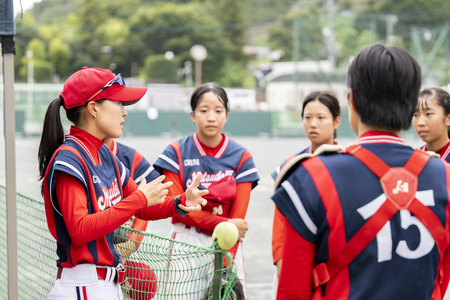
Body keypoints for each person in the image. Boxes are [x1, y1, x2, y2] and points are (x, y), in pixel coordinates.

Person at [272, 44, 450, 299]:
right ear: (411, 104)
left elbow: (292, 290)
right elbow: (440, 278)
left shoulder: (311, 177)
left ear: (352, 100)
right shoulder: (445, 177)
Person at [38, 67, 208, 300]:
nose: (124, 112)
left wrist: (179, 202)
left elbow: (143, 208)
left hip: (107, 284)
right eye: (118, 102)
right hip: (82, 285)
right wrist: (139, 198)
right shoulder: (69, 159)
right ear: (93, 108)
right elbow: (78, 230)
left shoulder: (106, 155)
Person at [153, 83, 259, 297]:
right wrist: (225, 224)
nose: (211, 117)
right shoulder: (176, 151)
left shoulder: (242, 156)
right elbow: (176, 208)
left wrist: (227, 263)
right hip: (186, 243)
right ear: (193, 115)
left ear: (227, 115)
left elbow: (238, 218)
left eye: (218, 111)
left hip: (227, 244)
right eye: (204, 110)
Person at [270, 91, 340, 299]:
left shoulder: (347, 162)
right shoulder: (291, 165)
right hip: (295, 261)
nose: (312, 124)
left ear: (336, 122)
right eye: (307, 117)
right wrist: (281, 262)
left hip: (334, 264)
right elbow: (280, 223)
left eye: (321, 118)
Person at [413, 87, 450, 163]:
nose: (420, 123)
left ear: (448, 119)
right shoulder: (412, 159)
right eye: (415, 115)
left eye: (428, 114)